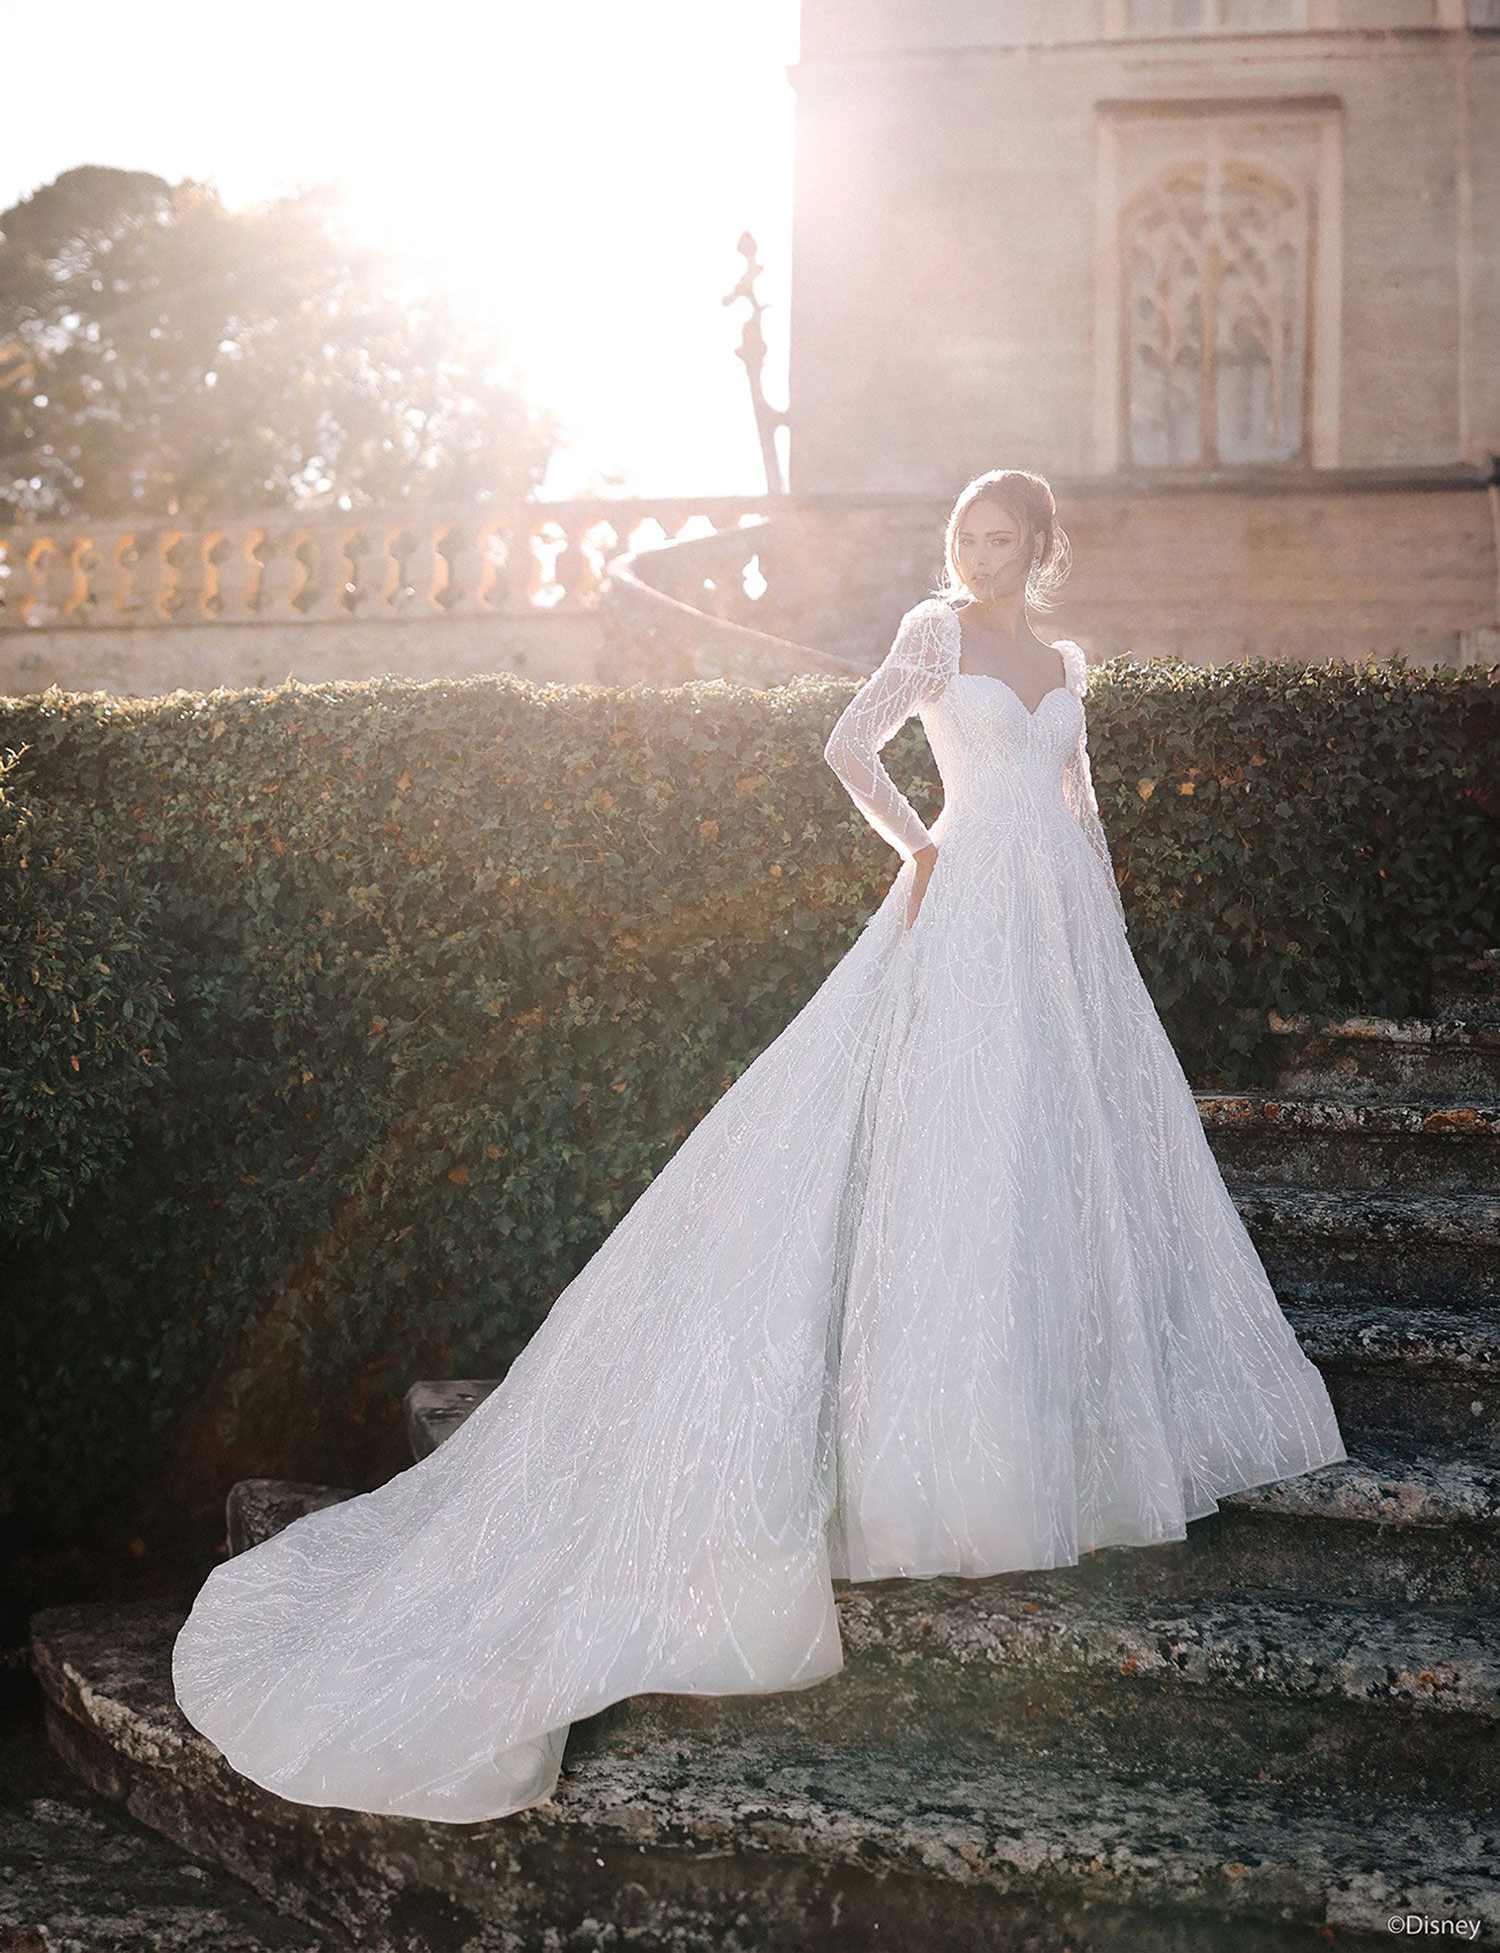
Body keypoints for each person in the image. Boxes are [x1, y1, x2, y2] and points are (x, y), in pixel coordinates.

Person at [171, 466, 1347, 1824]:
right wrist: (920, 850)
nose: (979, 552)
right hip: (961, 925)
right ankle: (939, 1471)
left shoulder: (1064, 657)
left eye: (1002, 537)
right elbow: (849, 746)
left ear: (1042, 547)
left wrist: (1105, 917)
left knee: (1053, 1179)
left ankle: (1052, 1446)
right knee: (954, 1169)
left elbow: (1081, 801)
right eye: (965, 532)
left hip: (1064, 938)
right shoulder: (935, 633)